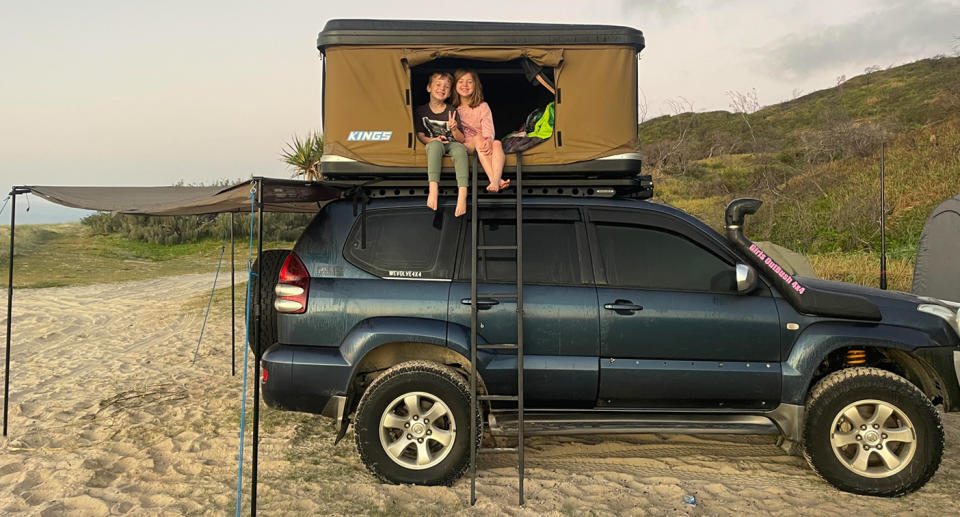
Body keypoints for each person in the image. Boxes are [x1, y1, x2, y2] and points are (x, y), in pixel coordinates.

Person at [414, 72, 470, 216]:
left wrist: (454, 129)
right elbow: (420, 136)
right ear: (428, 88)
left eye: (446, 87)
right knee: (434, 146)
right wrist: (433, 140)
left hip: (451, 143)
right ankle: (433, 189)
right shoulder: (421, 111)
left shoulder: (452, 110)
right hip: (434, 143)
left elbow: (461, 139)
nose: (442, 88)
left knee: (459, 149)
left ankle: (462, 194)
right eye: (438, 85)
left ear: (449, 92)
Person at [452, 69, 508, 192]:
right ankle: (493, 179)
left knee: (497, 143)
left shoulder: (483, 106)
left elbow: (488, 127)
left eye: (469, 82)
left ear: (475, 85)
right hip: (464, 144)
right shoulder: (453, 108)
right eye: (460, 81)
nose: (465, 85)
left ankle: (497, 180)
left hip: (482, 143)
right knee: (478, 138)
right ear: (455, 85)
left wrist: (488, 140)